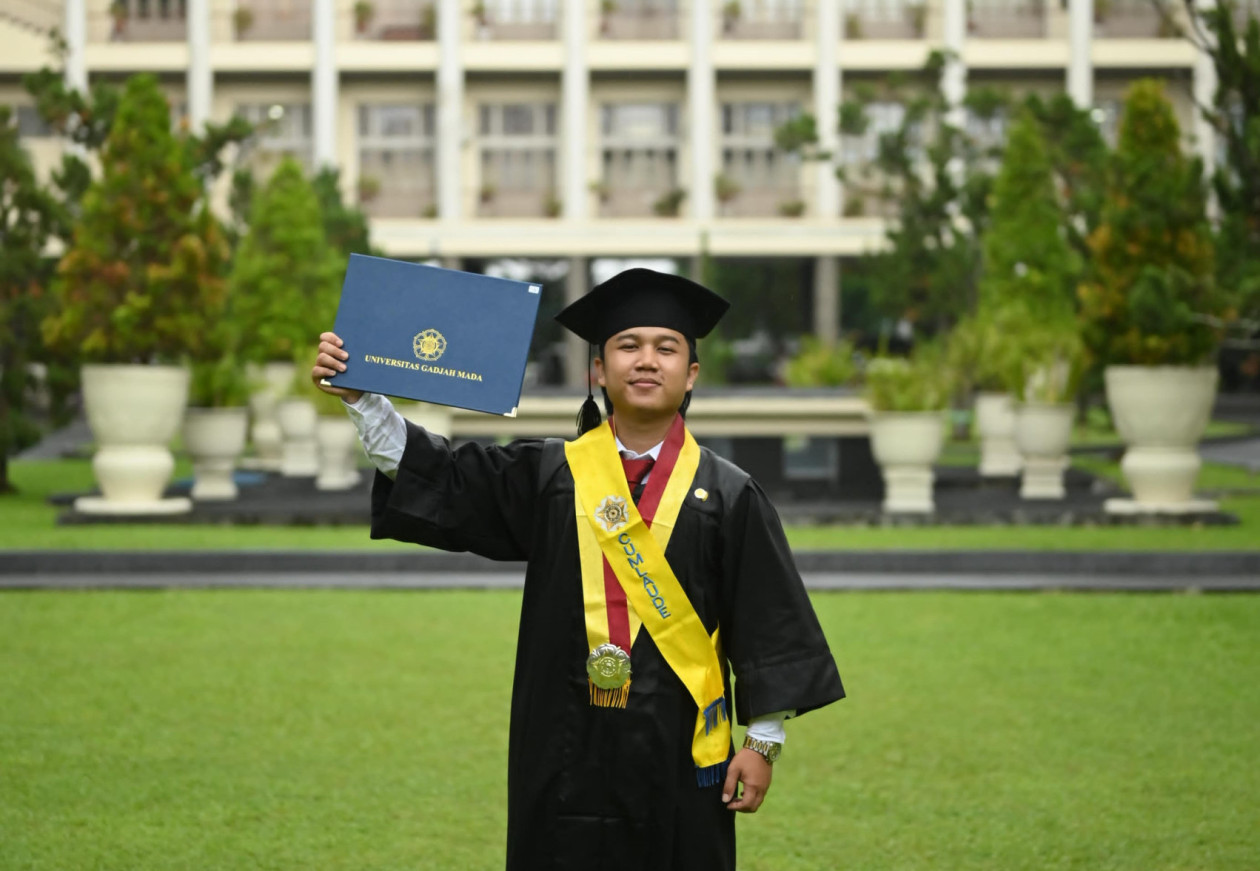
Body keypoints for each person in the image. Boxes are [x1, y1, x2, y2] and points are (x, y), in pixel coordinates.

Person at [312, 267, 844, 871]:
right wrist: (362, 397)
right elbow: (444, 477)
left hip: (680, 745)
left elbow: (767, 615)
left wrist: (763, 742)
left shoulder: (728, 494)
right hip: (560, 737)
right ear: (598, 370)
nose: (647, 361)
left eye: (666, 348)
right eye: (627, 346)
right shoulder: (549, 474)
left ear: (690, 373)